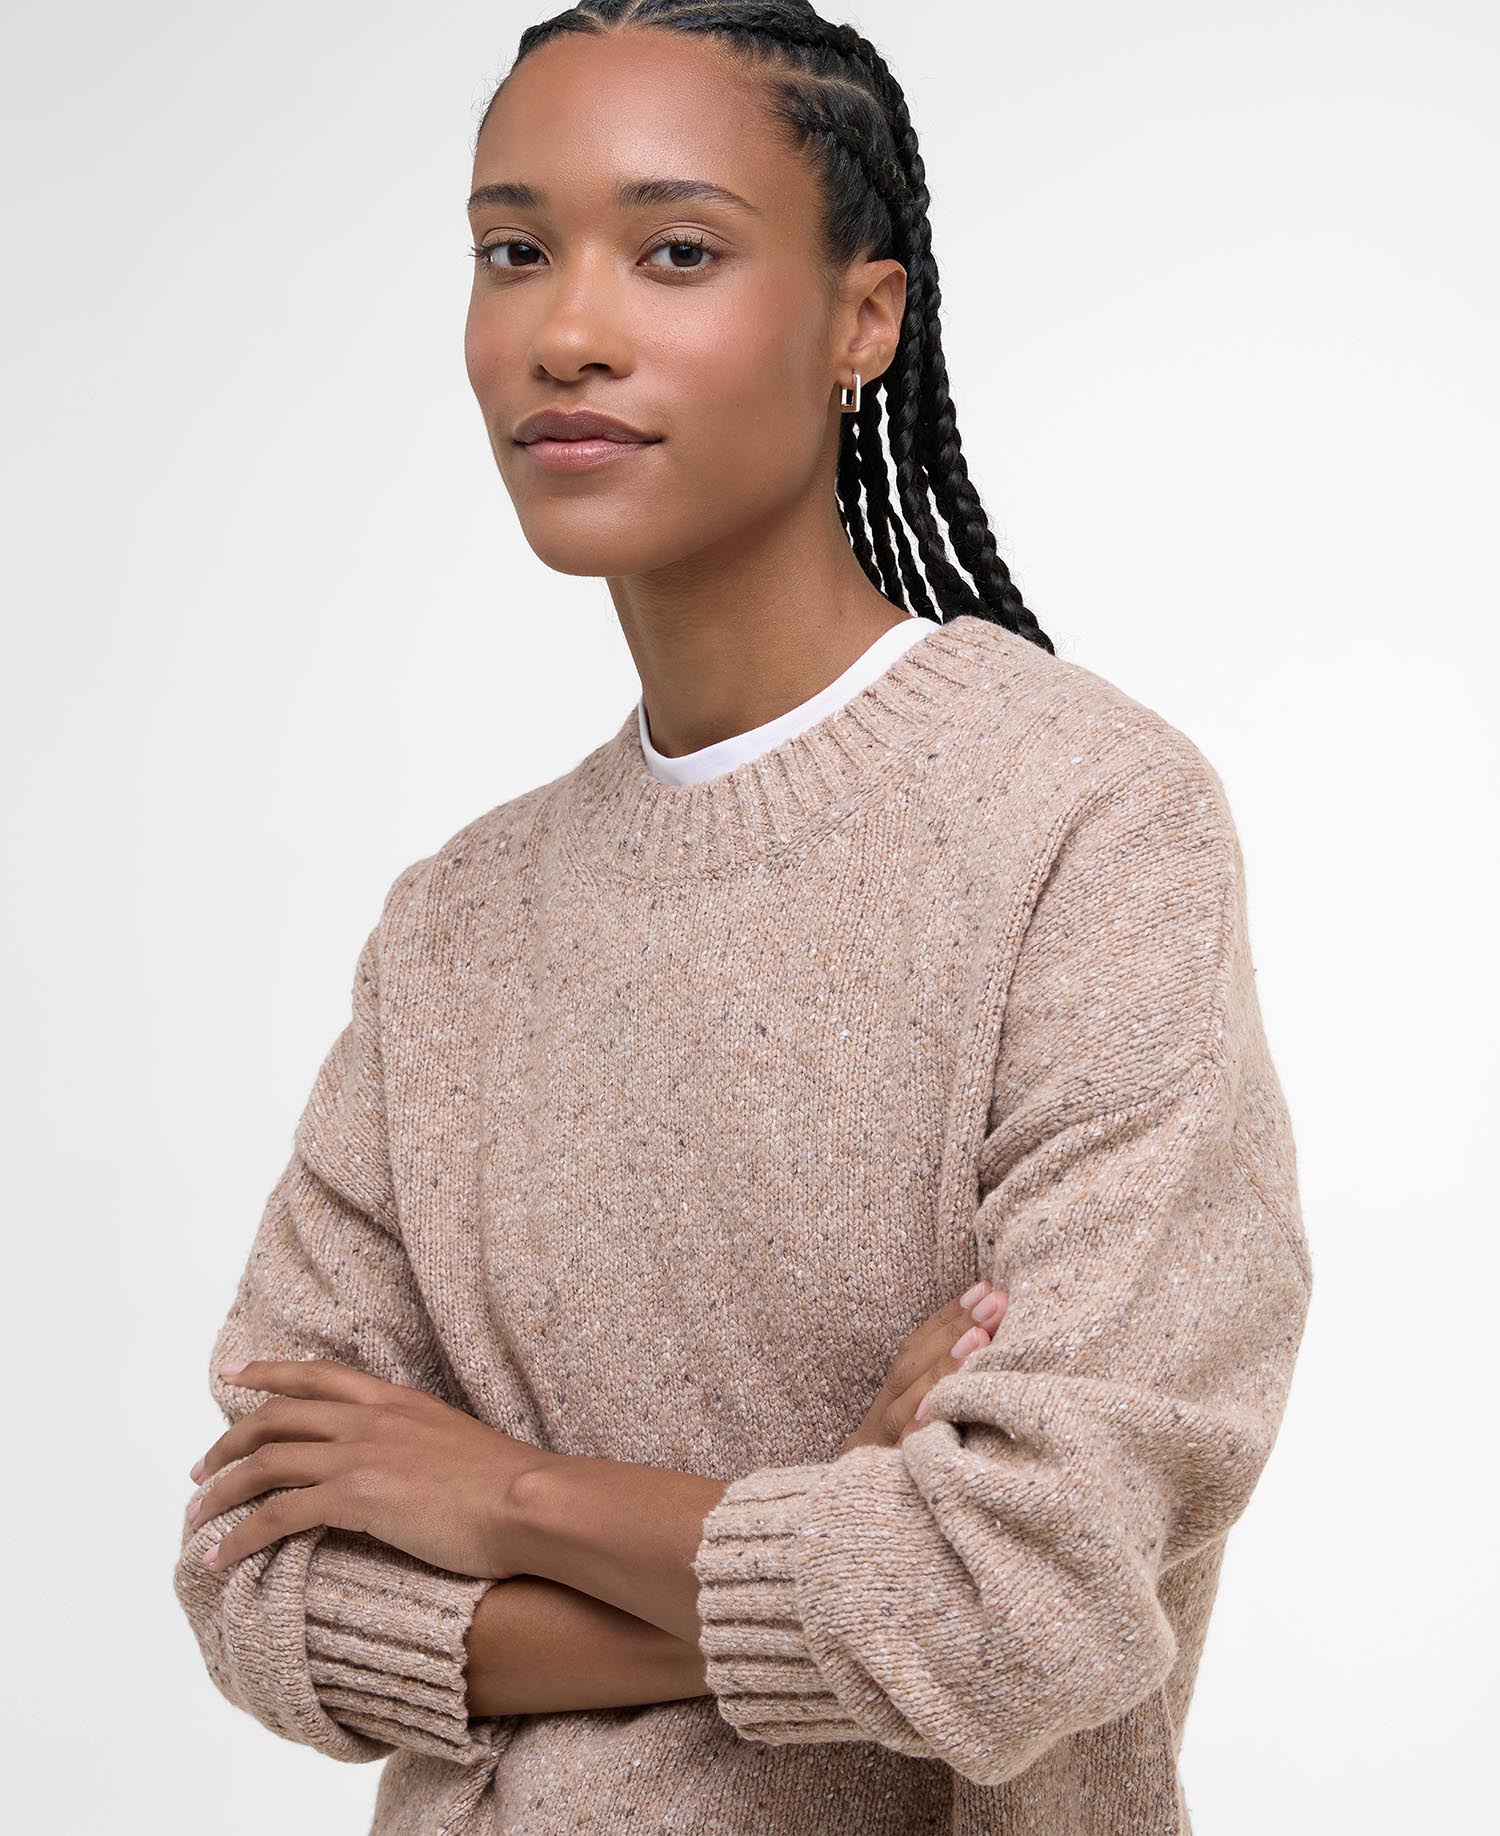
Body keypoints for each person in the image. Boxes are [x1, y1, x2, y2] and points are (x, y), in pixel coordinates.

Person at [174, 5, 1313, 1832]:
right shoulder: (455, 929)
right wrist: (825, 1525)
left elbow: (1016, 1603)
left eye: (679, 251)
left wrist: (504, 1500)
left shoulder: (1087, 826)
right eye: (512, 249)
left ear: (865, 318)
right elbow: (259, 1587)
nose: (566, 330)